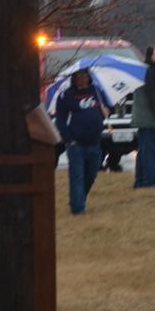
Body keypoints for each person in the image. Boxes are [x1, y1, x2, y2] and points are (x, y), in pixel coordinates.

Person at [53, 68, 109, 214]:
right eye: (78, 77)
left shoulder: (96, 91)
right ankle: (78, 209)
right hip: (76, 144)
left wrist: (105, 112)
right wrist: (69, 140)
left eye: (84, 76)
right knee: (77, 176)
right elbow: (60, 121)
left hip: (95, 142)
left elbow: (106, 109)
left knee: (91, 175)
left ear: (89, 77)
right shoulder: (66, 96)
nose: (82, 79)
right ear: (73, 78)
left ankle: (78, 199)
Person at [131, 46, 155, 189]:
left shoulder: (143, 70)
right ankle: (150, 182)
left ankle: (139, 181)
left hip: (142, 118)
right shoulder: (150, 72)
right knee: (150, 151)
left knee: (143, 151)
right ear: (149, 56)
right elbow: (154, 97)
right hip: (149, 118)